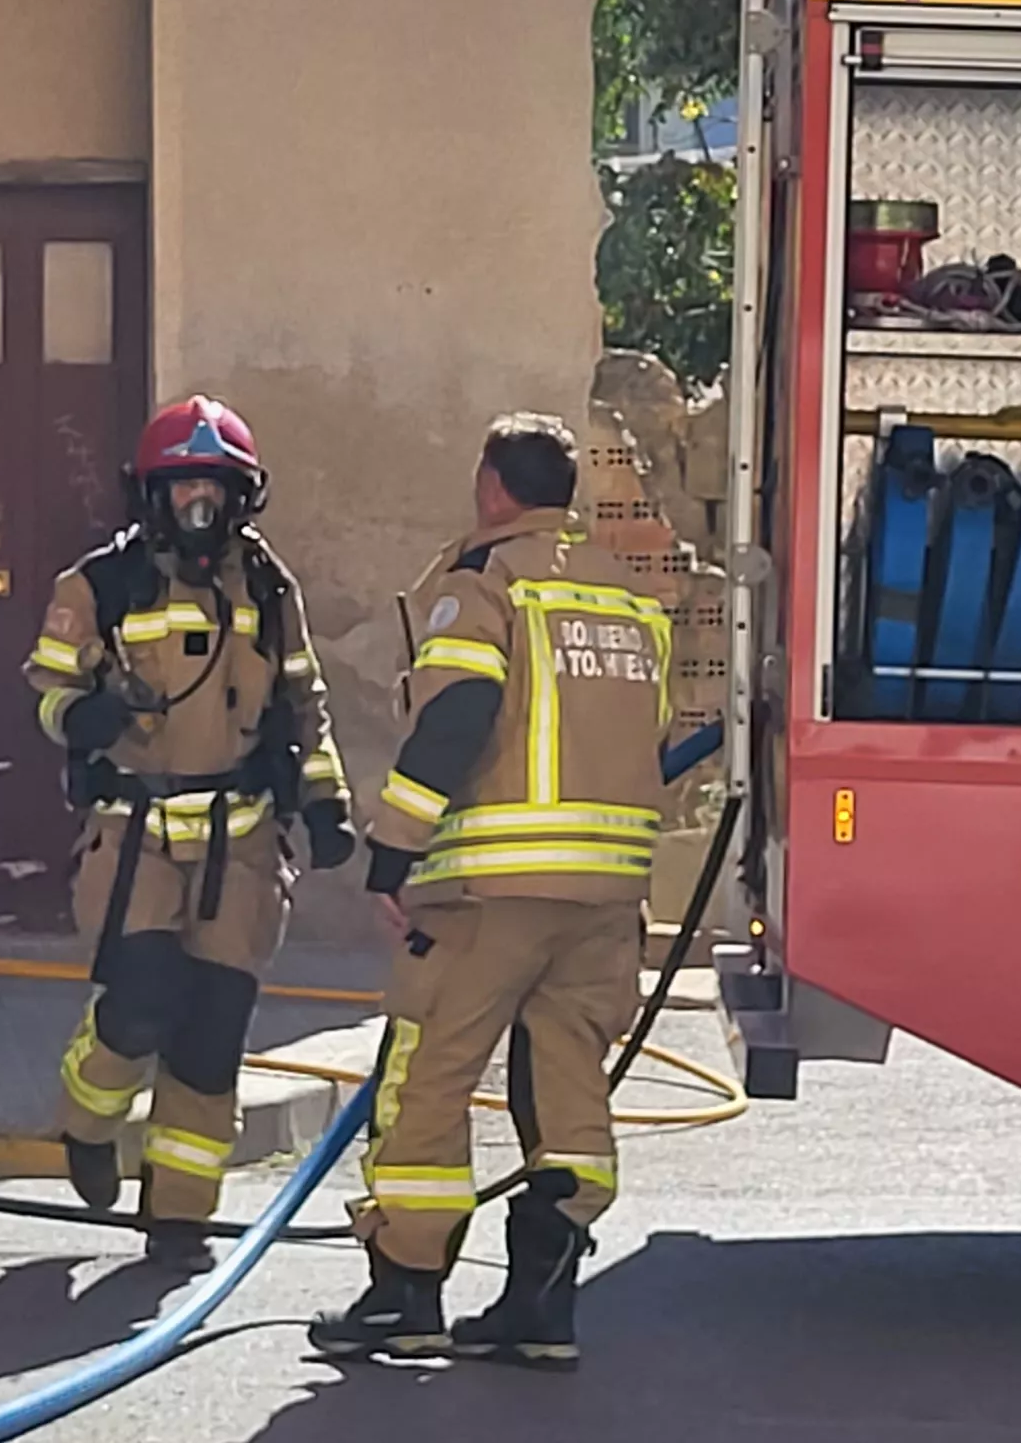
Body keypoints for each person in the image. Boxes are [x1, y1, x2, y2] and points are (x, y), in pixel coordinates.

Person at [311, 413, 668, 1370]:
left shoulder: (486, 582)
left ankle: (405, 1292)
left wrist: (394, 848)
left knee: (426, 1074)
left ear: (492, 487)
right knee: (567, 1086)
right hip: (606, 893)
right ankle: (542, 1307)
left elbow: (457, 714)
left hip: (491, 890)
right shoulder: (629, 596)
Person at [27, 395, 351, 1271]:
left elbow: (304, 704)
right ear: (152, 495)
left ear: (242, 496)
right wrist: (83, 716)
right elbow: (48, 688)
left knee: (211, 1037)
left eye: (215, 488)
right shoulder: (98, 586)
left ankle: (179, 1216)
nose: (199, 506)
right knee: (141, 1004)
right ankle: (87, 1120)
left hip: (240, 847)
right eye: (183, 488)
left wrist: (326, 800)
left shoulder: (270, 590)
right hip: (134, 837)